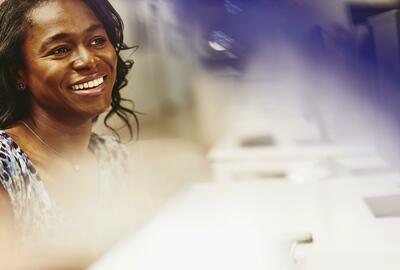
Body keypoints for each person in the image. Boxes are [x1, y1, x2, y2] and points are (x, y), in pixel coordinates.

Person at [0, 0, 138, 242]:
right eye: (60, 50)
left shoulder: (113, 156)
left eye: (97, 41)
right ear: (18, 73)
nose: (88, 60)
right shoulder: (6, 166)